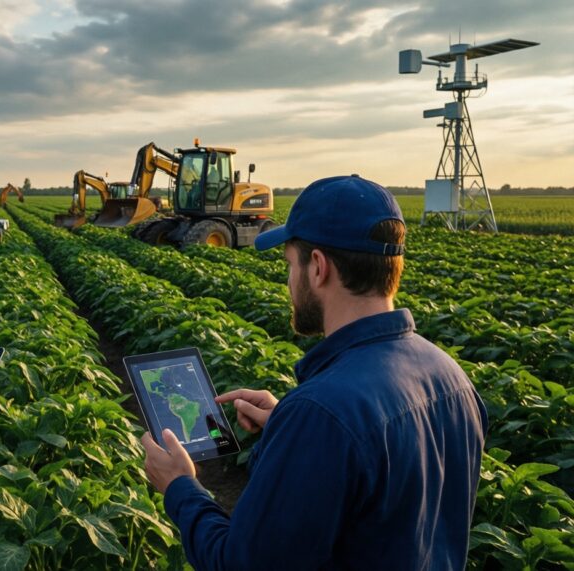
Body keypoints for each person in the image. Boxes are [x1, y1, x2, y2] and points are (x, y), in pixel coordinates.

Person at [141, 175, 487, 570]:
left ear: (318, 267)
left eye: (290, 265)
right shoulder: (453, 378)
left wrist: (180, 487)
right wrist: (286, 426)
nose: (289, 281)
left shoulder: (323, 413)